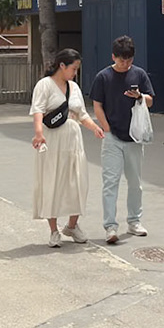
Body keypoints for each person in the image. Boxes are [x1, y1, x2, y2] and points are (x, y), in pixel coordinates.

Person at [30, 48, 106, 247]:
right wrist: (38, 133)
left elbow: (81, 114)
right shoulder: (45, 85)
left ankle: (72, 225)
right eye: (73, 68)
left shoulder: (74, 87)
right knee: (52, 181)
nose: (75, 72)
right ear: (62, 65)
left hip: (73, 141)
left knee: (78, 181)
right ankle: (53, 231)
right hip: (53, 140)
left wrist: (95, 127)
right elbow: (38, 110)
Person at [89, 35, 156, 245]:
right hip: (112, 137)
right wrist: (106, 128)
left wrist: (140, 96)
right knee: (111, 182)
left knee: (135, 182)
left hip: (135, 136)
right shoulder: (103, 77)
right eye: (121, 60)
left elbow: (150, 100)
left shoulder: (139, 74)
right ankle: (110, 226)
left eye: (128, 60)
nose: (125, 64)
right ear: (113, 57)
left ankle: (134, 221)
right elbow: (97, 104)